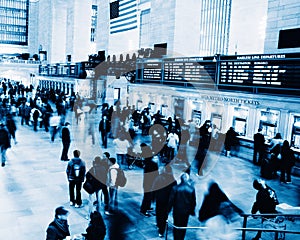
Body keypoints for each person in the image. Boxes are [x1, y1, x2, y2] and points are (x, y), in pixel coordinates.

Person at [168, 173, 196, 240]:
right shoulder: (191, 189)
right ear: (187, 179)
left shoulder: (175, 188)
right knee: (183, 226)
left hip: (177, 211)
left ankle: (176, 238)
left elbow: (171, 201)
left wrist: (168, 210)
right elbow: (193, 202)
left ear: (181, 179)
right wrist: (192, 211)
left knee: (176, 225)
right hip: (186, 212)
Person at [152, 165, 176, 237]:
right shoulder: (173, 180)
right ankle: (161, 231)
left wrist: (153, 198)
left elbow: (154, 188)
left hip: (159, 199)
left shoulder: (159, 177)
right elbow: (175, 191)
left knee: (158, 212)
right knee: (164, 215)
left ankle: (158, 224)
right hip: (168, 201)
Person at [140, 144, 159, 217]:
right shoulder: (151, 165)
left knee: (149, 196)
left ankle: (147, 207)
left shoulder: (148, 163)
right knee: (147, 197)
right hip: (149, 183)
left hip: (149, 183)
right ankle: (143, 210)